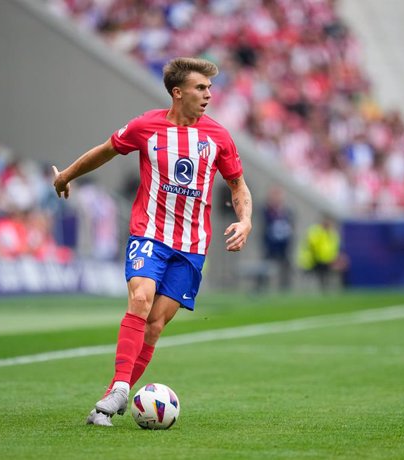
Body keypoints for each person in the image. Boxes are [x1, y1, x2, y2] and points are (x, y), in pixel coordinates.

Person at [51, 57, 253, 427]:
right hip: (149, 233)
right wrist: (66, 175)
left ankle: (110, 398)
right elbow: (106, 150)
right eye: (200, 88)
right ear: (178, 93)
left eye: (209, 88)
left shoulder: (218, 136)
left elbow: (237, 185)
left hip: (192, 245)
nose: (208, 94)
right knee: (141, 297)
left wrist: (245, 220)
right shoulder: (147, 126)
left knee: (156, 324)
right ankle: (121, 392)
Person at [297, 214, 348, 291]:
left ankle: (334, 290)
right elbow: (312, 246)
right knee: (318, 274)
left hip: (329, 260)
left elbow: (337, 248)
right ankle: (316, 290)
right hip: (315, 260)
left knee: (339, 269)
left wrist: (337, 258)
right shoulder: (315, 231)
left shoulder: (333, 233)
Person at [258, 186, 294, 291]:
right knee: (265, 265)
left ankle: (284, 287)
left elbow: (290, 226)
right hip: (270, 243)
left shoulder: (286, 211)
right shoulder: (266, 210)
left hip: (283, 243)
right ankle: (262, 288)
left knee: (285, 266)